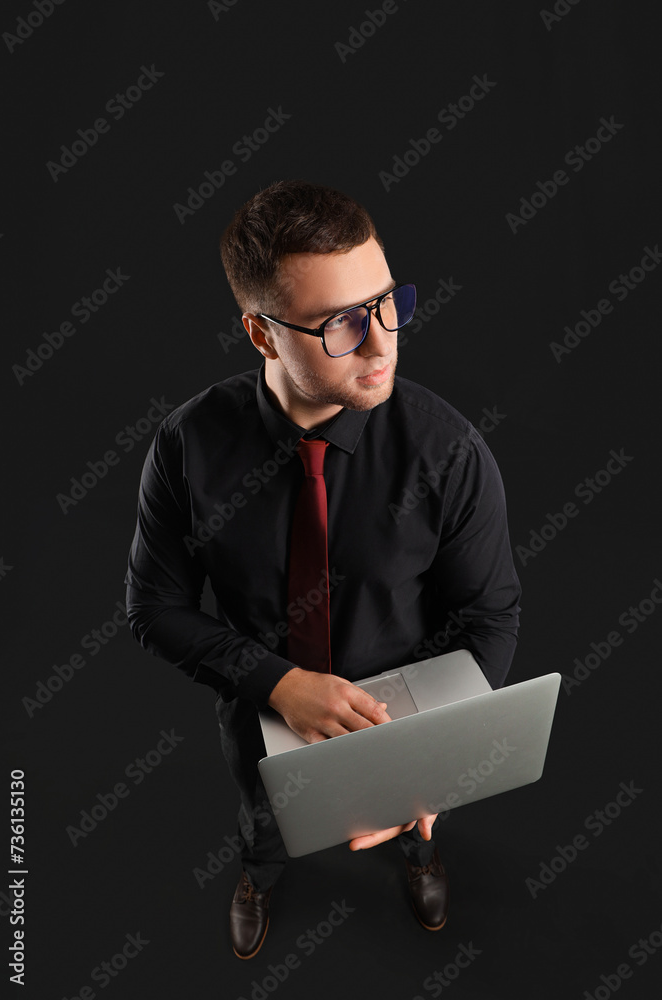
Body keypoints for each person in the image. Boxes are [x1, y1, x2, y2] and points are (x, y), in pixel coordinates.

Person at [124, 179, 521, 960]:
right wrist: (273, 682)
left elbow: (489, 616)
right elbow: (153, 606)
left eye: (384, 302)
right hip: (257, 711)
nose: (381, 343)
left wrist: (435, 761)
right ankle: (259, 875)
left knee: (411, 824)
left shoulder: (447, 452)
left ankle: (420, 859)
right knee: (263, 820)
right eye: (340, 322)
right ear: (261, 335)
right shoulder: (186, 445)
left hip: (405, 712)